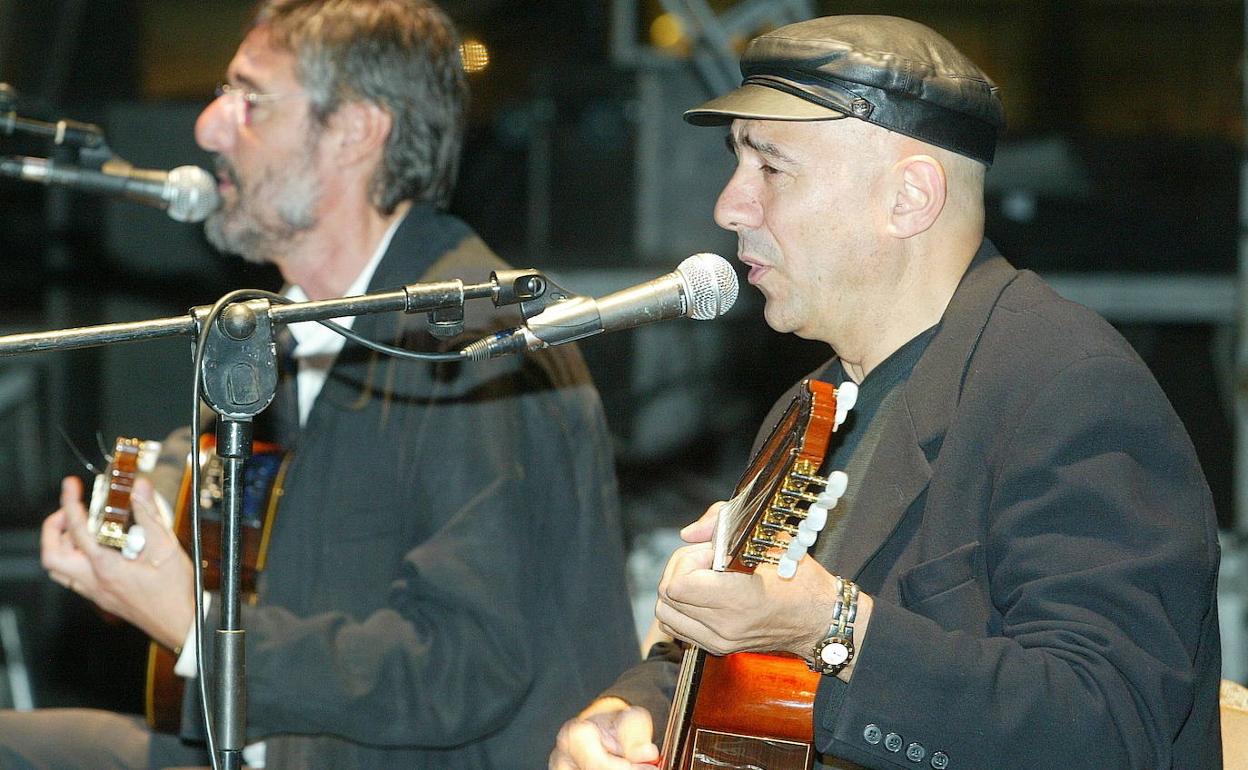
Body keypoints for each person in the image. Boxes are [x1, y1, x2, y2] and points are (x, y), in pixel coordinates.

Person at [550, 15, 1222, 770]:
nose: (729, 206)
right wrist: (630, 712)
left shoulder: (1069, 388)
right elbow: (727, 662)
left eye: (770, 168)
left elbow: (1108, 727)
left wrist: (830, 624)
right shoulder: (815, 403)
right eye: (736, 163)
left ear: (908, 198)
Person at [0, 1, 638, 768]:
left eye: (250, 99)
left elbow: (464, 666)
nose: (207, 126)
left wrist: (200, 628)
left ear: (355, 133)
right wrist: (147, 512)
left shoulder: (475, 341)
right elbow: (289, 500)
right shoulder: (290, 327)